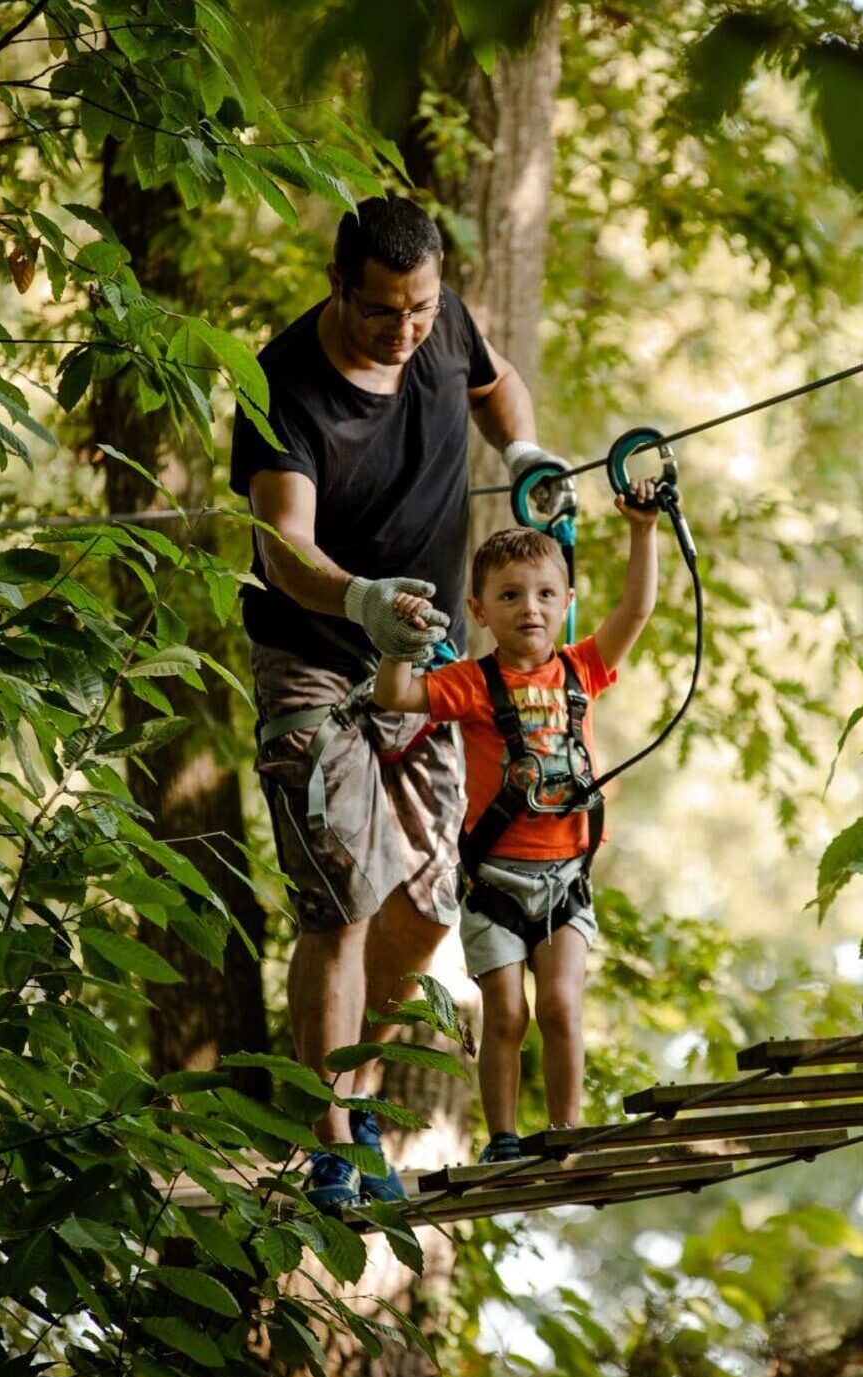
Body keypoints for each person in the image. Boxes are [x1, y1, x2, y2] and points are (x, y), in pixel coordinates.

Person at [229, 194, 574, 1210]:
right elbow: (282, 544)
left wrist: (522, 452)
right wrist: (359, 599)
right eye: (385, 312)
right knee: (338, 891)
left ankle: (363, 1095)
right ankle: (330, 1135)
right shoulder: (281, 383)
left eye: (419, 309)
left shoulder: (442, 318)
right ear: (339, 285)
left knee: (426, 904)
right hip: (315, 655)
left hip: (431, 667)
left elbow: (493, 382)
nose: (407, 330)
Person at [373, 482, 659, 1161]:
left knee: (559, 1006)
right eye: (508, 596)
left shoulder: (583, 669)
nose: (528, 607)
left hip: (566, 881)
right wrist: (395, 642)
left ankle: (566, 1135)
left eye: (543, 594)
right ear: (478, 610)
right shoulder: (470, 684)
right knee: (505, 1014)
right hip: (496, 882)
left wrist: (643, 531)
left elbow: (636, 610)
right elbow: (395, 694)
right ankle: (502, 1141)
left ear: (564, 604)